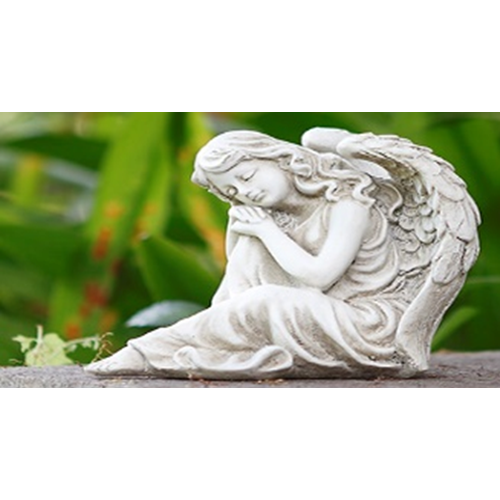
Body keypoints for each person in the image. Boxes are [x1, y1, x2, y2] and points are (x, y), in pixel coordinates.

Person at [84, 130, 451, 379]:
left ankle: (147, 352)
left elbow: (320, 277)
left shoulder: (347, 202)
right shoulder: (268, 218)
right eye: (232, 191)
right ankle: (201, 347)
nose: (245, 192)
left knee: (267, 297)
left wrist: (266, 231)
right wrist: (244, 233)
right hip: (307, 310)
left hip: (366, 323)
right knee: (253, 254)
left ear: (279, 158)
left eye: (246, 177)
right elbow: (232, 292)